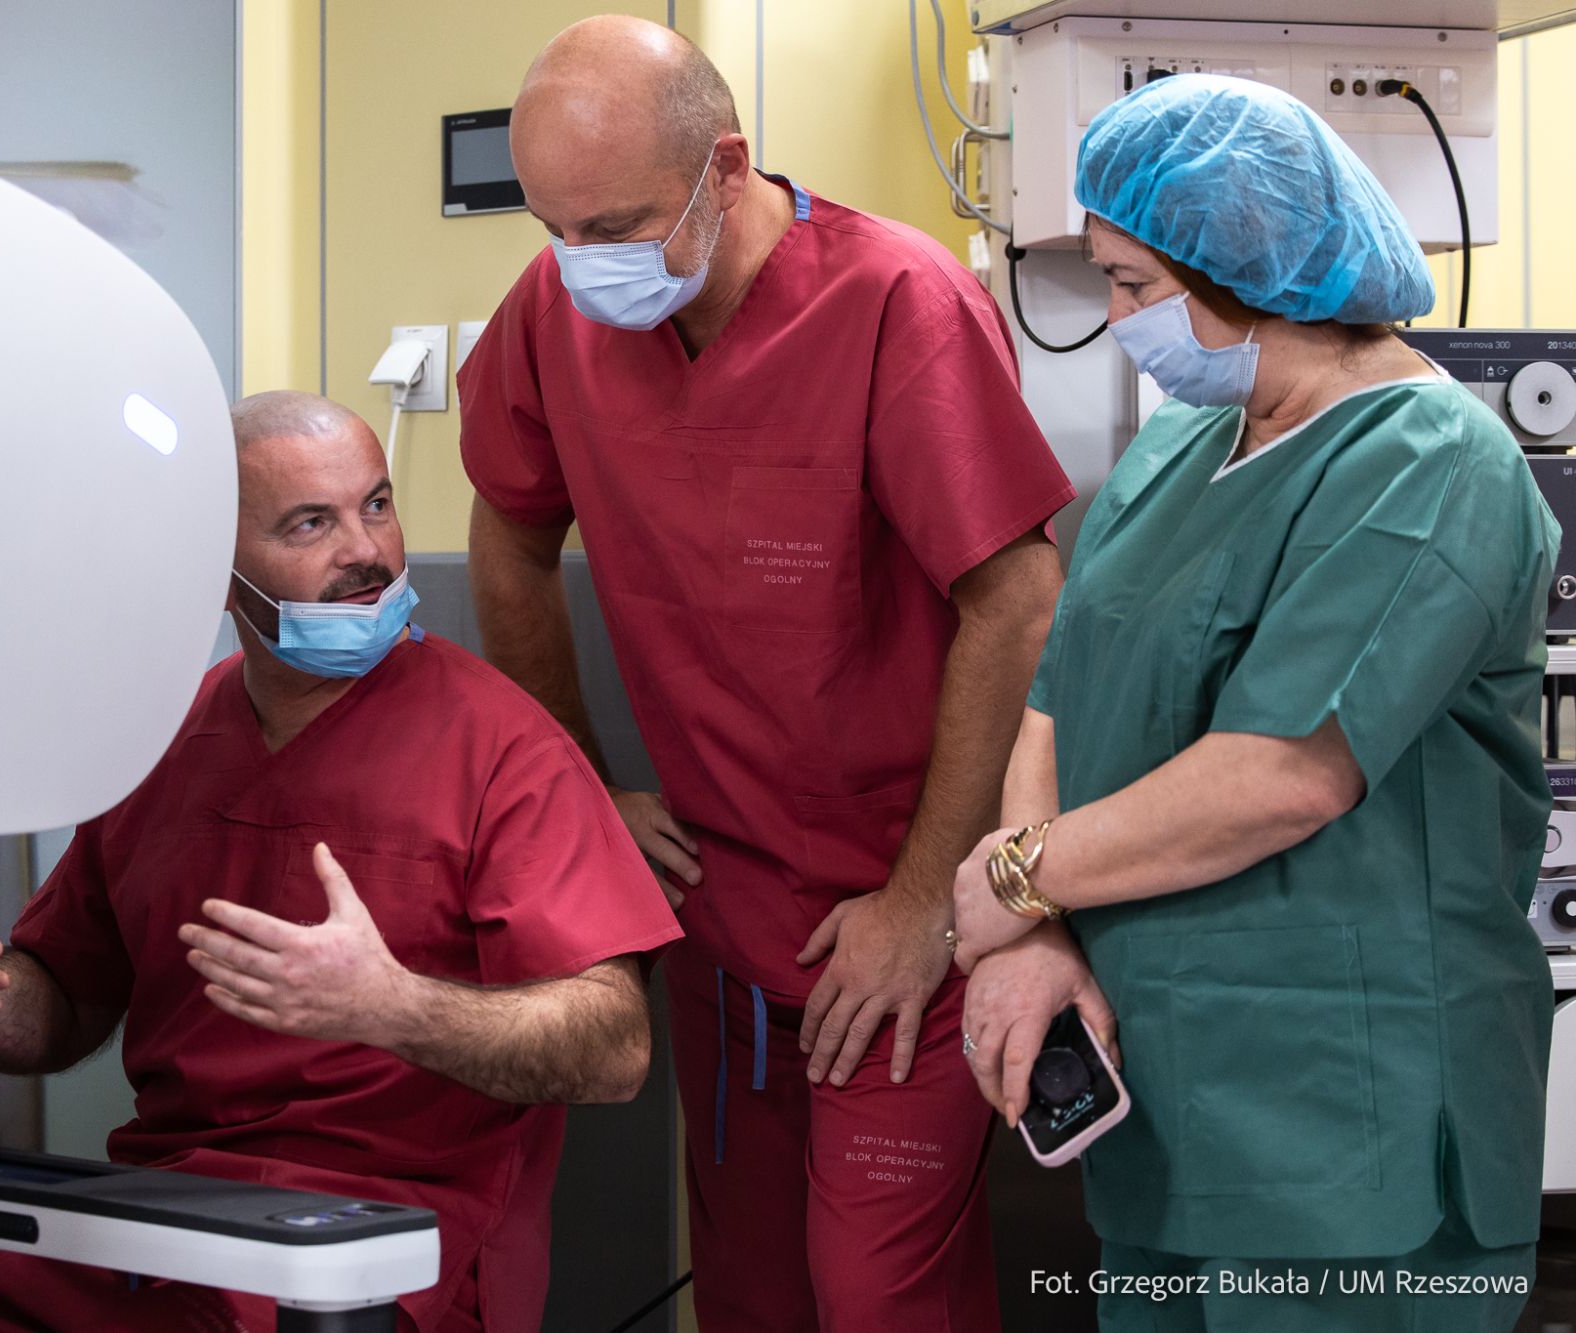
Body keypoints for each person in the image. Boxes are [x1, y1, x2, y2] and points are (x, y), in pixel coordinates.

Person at [0, 390, 682, 1333]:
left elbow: (615, 1048)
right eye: (311, 523)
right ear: (212, 567)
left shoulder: (502, 748)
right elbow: (66, 1005)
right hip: (159, 1228)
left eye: (376, 504)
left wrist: (390, 1005)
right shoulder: (164, 743)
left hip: (380, 1251)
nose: (367, 551)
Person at [459, 16, 1074, 1329]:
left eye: (615, 226)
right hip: (721, 924)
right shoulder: (551, 314)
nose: (581, 267)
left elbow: (1017, 596)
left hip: (915, 911)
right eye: (552, 229)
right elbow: (507, 538)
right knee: (749, 1293)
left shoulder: (896, 303)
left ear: (725, 166)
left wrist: (922, 902)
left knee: (876, 1295)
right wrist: (582, 785)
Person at [951, 74, 1559, 1332]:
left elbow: (1282, 772)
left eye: (1132, 287)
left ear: (1255, 271)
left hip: (1347, 1133)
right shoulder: (1176, 445)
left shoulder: (1430, 463)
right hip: (1166, 1118)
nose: (1116, 320)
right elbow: (1060, 698)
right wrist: (1034, 926)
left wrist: (1011, 880)